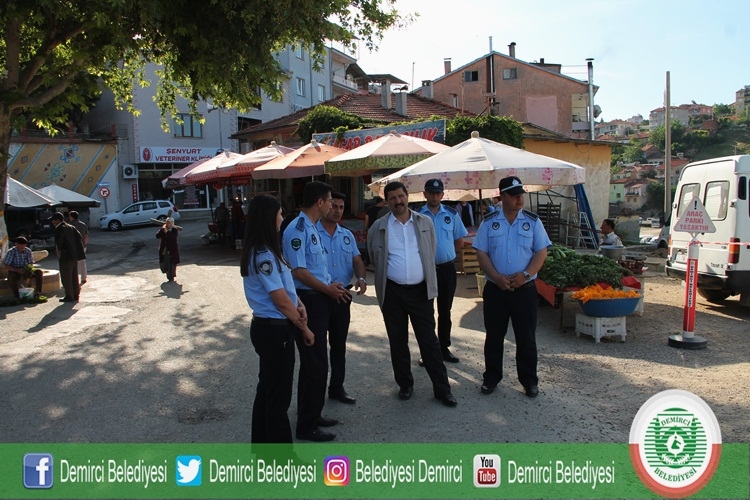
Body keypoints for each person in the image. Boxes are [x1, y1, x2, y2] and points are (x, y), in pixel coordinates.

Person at [367, 181, 458, 407]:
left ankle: (442, 390)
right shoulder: (378, 227)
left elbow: (430, 251)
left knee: (429, 342)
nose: (398, 201)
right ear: (387, 202)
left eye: (401, 196)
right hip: (392, 292)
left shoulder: (424, 222)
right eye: (392, 198)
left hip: (420, 292)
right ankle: (405, 384)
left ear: (407, 196)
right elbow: (374, 257)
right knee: (397, 341)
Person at [240, 194, 314, 443]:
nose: (282, 219)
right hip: (274, 330)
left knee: (267, 391)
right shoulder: (264, 255)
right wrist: (304, 328)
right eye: (280, 214)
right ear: (269, 217)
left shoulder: (268, 251)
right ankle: (282, 458)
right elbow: (280, 300)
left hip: (271, 328)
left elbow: (286, 290)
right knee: (278, 398)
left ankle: (262, 450)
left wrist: (299, 303)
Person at [282, 181, 350, 442]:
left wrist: (330, 285)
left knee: (318, 363)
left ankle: (313, 413)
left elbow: (316, 268)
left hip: (319, 297)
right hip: (309, 300)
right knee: (314, 363)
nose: (333, 205)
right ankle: (306, 425)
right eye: (330, 201)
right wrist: (326, 289)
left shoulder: (311, 227)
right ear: (320, 202)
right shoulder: (298, 229)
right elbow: (299, 272)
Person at [473, 176, 551, 398]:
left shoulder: (533, 221)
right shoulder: (489, 222)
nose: (520, 199)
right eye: (514, 195)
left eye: (521, 194)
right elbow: (481, 252)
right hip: (496, 290)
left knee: (526, 338)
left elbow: (541, 252)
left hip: (524, 290)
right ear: (502, 197)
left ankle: (529, 381)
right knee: (494, 337)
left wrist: (526, 275)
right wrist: (496, 277)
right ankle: (491, 378)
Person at [317, 192, 368, 405]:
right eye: (334, 206)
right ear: (324, 206)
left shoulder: (346, 235)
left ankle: (337, 388)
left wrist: (361, 277)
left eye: (341, 207)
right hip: (318, 296)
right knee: (317, 349)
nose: (337, 211)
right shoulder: (312, 233)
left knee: (339, 346)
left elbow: (357, 260)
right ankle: (315, 394)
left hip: (342, 297)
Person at [418, 179, 467, 364]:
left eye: (438, 193)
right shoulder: (417, 216)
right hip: (425, 270)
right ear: (425, 194)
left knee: (445, 311)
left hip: (447, 269)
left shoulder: (452, 214)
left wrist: (446, 255)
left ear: (442, 195)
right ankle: (428, 351)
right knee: (426, 312)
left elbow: (459, 241)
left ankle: (444, 348)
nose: (435, 196)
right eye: (431, 193)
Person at [50, 212, 85, 302]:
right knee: (74, 275)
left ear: (58, 220)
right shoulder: (71, 227)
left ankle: (69, 296)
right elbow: (79, 237)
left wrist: (59, 251)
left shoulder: (60, 228)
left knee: (66, 276)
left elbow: (60, 242)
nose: (52, 222)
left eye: (53, 220)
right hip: (74, 254)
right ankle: (76, 295)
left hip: (65, 255)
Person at [156, 217, 180, 282]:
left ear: (171, 223)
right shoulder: (163, 229)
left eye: (169, 222)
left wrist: (167, 232)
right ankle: (166, 272)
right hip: (164, 250)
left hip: (172, 250)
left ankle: (171, 277)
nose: (167, 223)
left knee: (171, 264)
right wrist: (162, 230)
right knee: (163, 263)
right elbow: (157, 236)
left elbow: (173, 237)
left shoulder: (174, 229)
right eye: (166, 222)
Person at [68, 211, 89, 285]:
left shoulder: (69, 226)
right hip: (82, 245)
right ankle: (83, 278)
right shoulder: (83, 224)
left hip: (73, 246)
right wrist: (84, 244)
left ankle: (74, 279)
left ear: (71, 217)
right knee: (82, 263)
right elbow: (86, 236)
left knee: (73, 264)